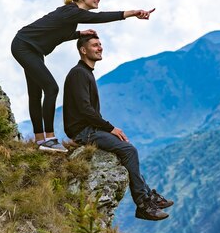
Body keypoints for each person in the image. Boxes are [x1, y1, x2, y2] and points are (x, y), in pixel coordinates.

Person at [11, 0, 155, 152]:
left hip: (32, 49)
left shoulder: (71, 16)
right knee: (51, 89)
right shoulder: (72, 12)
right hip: (23, 46)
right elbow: (99, 17)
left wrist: (80, 33)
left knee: (36, 94)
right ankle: (49, 139)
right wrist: (132, 13)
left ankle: (40, 140)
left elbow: (58, 34)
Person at [63, 34, 173, 221]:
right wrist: (110, 128)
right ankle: (144, 204)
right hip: (83, 131)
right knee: (129, 150)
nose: (100, 48)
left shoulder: (85, 73)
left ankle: (148, 196)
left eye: (100, 44)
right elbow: (84, 109)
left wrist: (107, 129)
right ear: (83, 50)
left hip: (88, 129)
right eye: (95, 45)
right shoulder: (79, 73)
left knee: (126, 151)